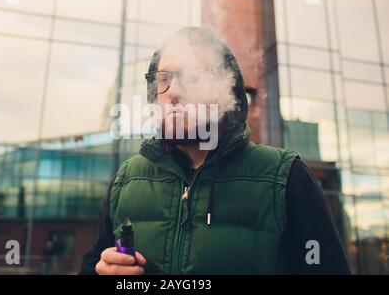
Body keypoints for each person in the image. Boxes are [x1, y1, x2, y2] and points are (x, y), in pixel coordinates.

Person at [79, 27, 350, 275]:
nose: (172, 91)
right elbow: (92, 266)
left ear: (227, 90)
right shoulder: (126, 179)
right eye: (163, 78)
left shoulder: (285, 176)